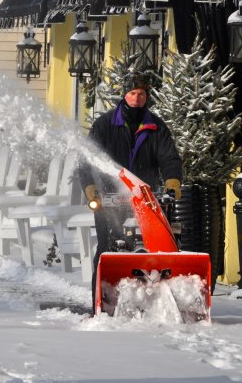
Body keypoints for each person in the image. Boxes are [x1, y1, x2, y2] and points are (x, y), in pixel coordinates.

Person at [77, 72, 183, 312]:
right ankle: (100, 304)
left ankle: (157, 302)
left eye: (142, 94)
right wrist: (90, 187)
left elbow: (169, 157)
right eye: (133, 93)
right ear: (124, 95)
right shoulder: (105, 125)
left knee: (155, 247)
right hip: (109, 198)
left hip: (146, 199)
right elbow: (85, 159)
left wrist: (173, 180)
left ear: (147, 97)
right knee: (107, 246)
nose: (137, 98)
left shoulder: (155, 126)